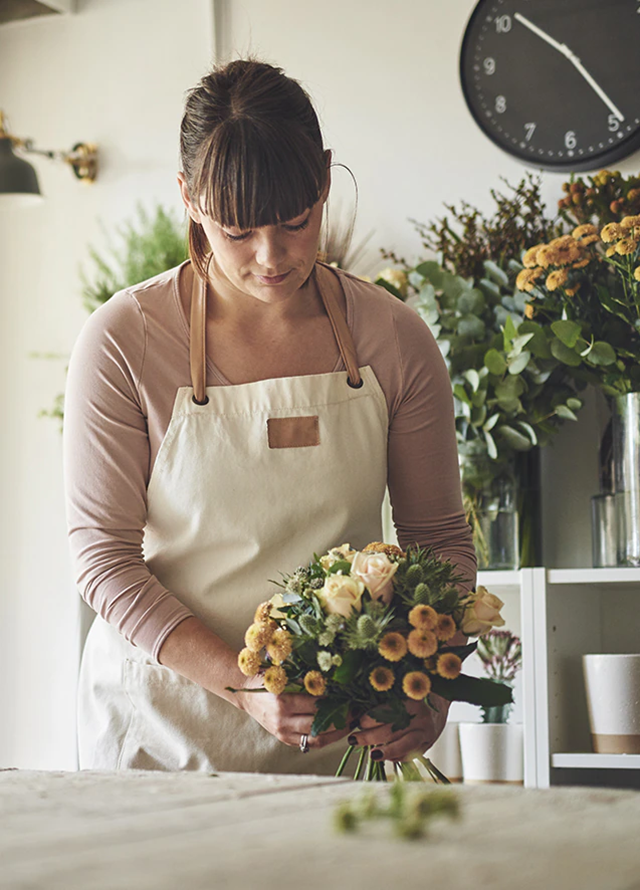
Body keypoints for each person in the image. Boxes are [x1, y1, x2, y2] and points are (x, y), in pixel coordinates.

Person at [64, 59, 476, 774]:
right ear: (189, 198)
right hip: (162, 738)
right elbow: (102, 560)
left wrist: (430, 686)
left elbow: (437, 540)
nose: (270, 258)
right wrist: (241, 683)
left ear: (323, 179)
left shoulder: (393, 338)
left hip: (343, 743)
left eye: (295, 222)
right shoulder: (124, 341)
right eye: (236, 231)